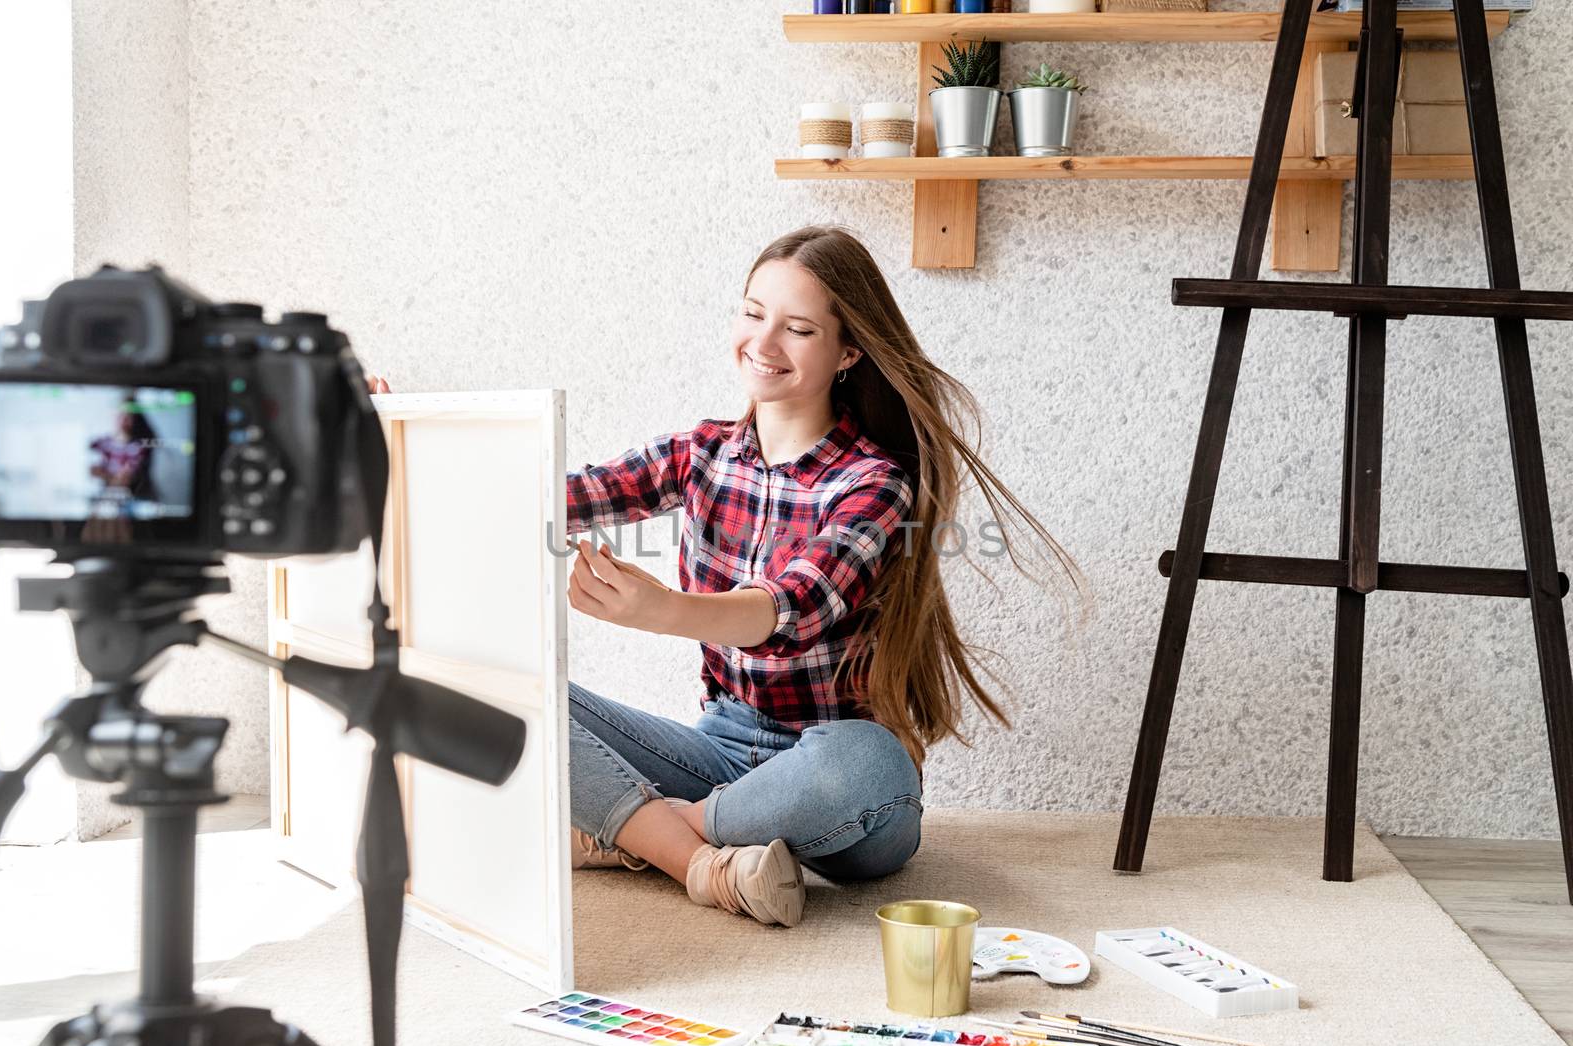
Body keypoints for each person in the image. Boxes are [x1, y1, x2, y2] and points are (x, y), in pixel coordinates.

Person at [366, 224, 1090, 929]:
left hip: (836, 787)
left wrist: (664, 610)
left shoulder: (877, 483)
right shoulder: (702, 453)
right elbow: (561, 492)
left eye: (798, 330)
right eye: (753, 314)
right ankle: (703, 865)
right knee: (484, 684)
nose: (764, 343)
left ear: (848, 352)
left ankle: (649, 836)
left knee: (867, 764)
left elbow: (790, 605)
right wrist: (393, 448)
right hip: (719, 752)